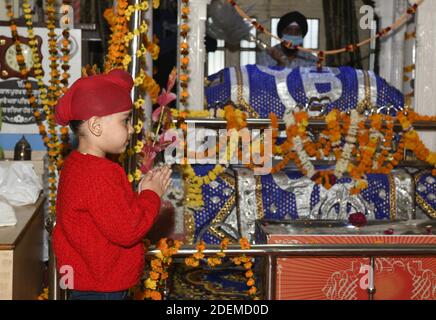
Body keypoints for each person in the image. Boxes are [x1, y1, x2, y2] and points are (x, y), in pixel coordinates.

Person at [52, 69, 172, 300]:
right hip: (102, 288)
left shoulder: (77, 165)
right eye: (124, 121)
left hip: (86, 282)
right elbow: (128, 231)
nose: (130, 129)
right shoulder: (99, 174)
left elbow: (109, 217)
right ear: (96, 126)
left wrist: (138, 196)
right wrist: (150, 195)